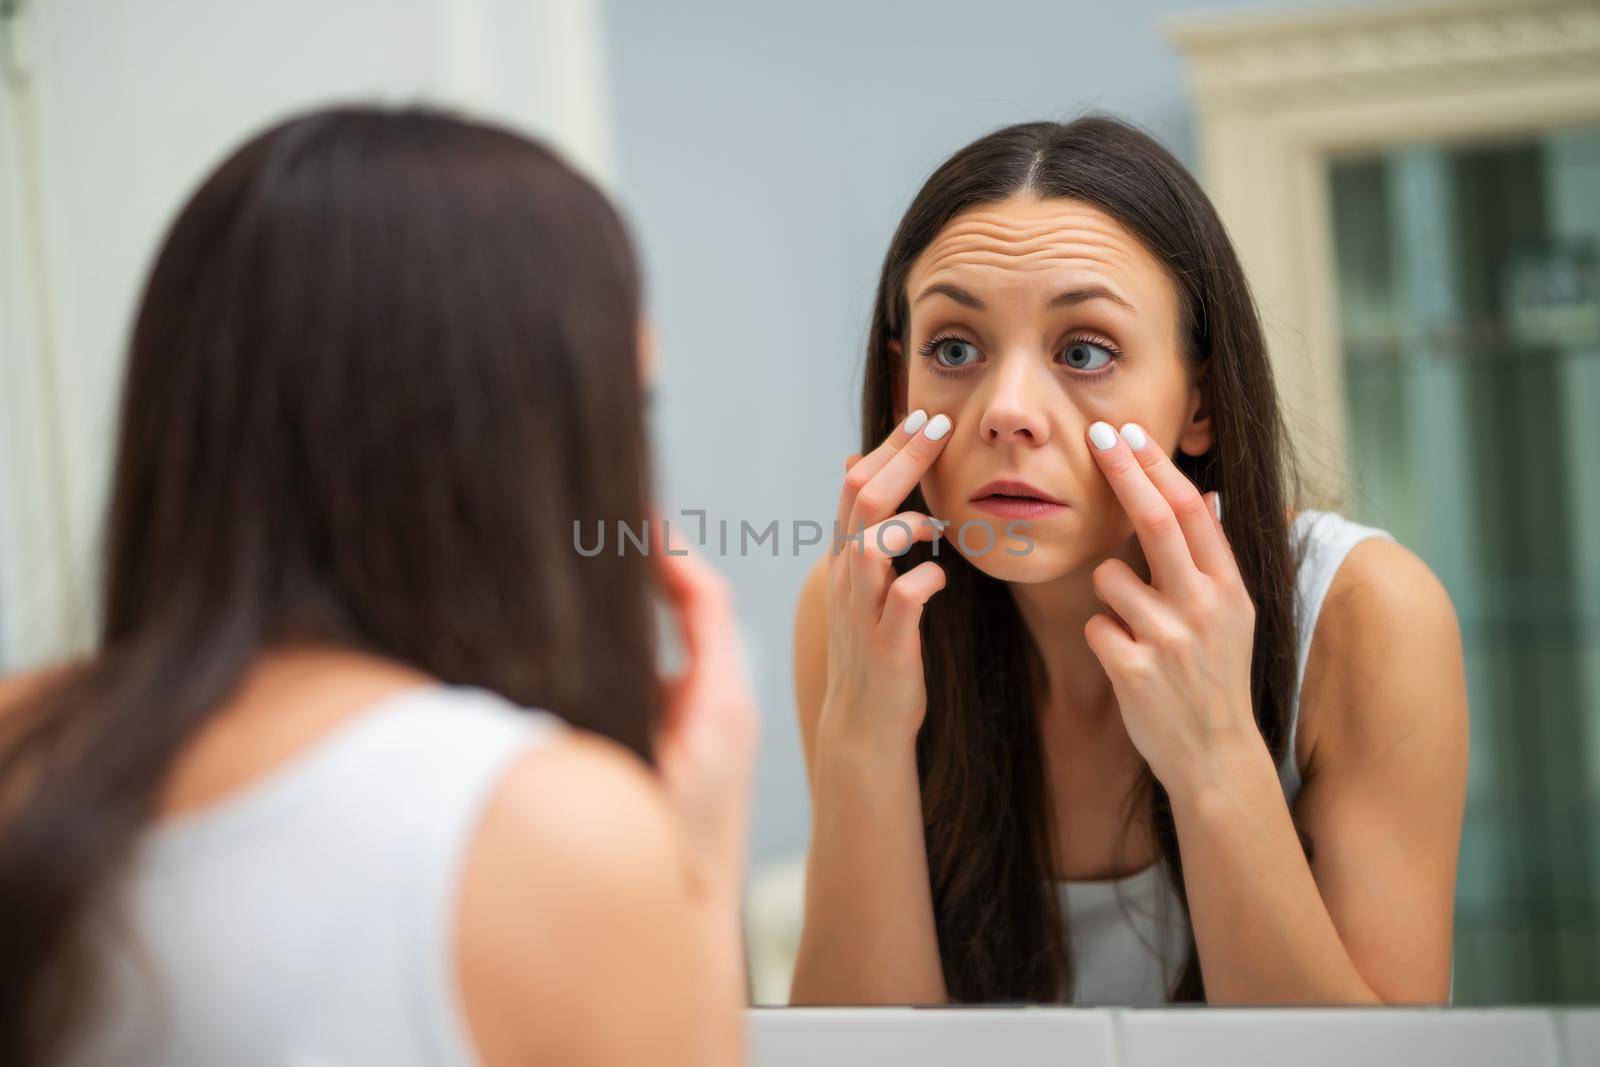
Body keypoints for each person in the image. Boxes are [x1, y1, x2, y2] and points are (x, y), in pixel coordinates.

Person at [0, 105, 757, 1066]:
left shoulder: (19, 746)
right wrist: (693, 857)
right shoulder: (555, 835)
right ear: (531, 433)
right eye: (628, 402)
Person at [790, 115, 1468, 1006]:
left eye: (1084, 351)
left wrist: (1216, 754)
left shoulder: (1363, 615)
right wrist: (863, 742)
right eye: (953, 349)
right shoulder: (863, 613)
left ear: (1202, 402)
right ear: (900, 381)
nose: (1008, 411)